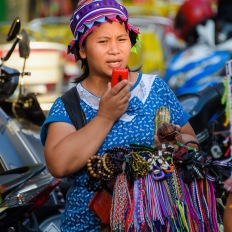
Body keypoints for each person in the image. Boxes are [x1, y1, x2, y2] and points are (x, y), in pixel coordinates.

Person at [40, 0, 199, 231]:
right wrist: (105, 116)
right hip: (90, 225)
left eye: (121, 40)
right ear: (82, 50)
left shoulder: (155, 89)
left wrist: (176, 143)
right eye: (103, 41)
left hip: (159, 222)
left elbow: (193, 143)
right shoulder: (69, 104)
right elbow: (58, 164)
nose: (114, 49)